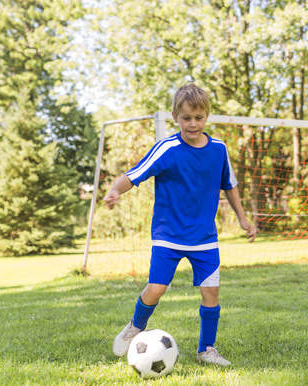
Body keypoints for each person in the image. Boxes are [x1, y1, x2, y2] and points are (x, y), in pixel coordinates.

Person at [103, 83, 256, 364]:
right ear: (175, 116)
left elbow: (230, 186)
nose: (193, 124)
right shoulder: (167, 148)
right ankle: (135, 326)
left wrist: (244, 219)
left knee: (211, 292)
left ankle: (206, 349)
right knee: (156, 289)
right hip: (168, 235)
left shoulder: (219, 150)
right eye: (186, 118)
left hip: (205, 237)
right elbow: (135, 174)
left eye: (199, 117)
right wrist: (115, 190)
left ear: (207, 116)